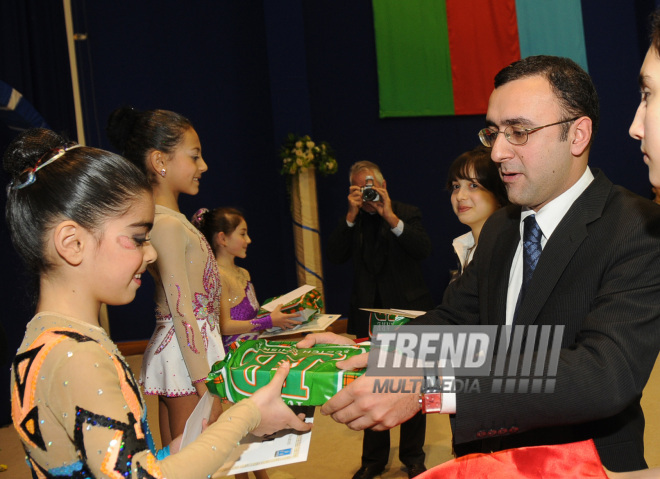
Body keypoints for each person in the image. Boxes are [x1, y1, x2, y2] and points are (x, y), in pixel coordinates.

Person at [303, 55, 660, 473]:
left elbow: (603, 374)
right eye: (494, 132)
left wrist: (427, 386)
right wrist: (374, 351)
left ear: (577, 135)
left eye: (519, 132)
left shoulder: (637, 228)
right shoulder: (502, 227)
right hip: (486, 459)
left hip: (584, 466)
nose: (497, 151)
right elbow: (456, 319)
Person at [6, 128, 311, 479]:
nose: (150, 254)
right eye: (137, 238)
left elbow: (126, 466)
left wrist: (207, 439)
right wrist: (248, 414)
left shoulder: (45, 337)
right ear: (72, 243)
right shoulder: (78, 357)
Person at [106, 107, 223, 447]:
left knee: (191, 454)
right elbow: (181, 307)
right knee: (195, 455)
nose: (203, 166)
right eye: (195, 156)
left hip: (192, 350)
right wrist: (205, 387)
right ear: (160, 161)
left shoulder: (172, 219)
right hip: (188, 357)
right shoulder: (167, 224)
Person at [326, 160, 434, 478]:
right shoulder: (355, 220)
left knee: (411, 384)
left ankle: (413, 456)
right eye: (361, 187)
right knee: (373, 387)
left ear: (384, 185)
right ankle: (373, 460)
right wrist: (350, 215)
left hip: (406, 314)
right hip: (368, 319)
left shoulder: (406, 212)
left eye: (372, 185)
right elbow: (334, 254)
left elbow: (422, 248)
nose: (369, 193)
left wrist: (389, 215)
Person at [191, 208, 300, 359]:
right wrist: (268, 321)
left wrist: (276, 318)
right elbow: (224, 326)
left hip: (252, 351)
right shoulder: (217, 276)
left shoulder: (243, 273)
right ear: (222, 238)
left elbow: (252, 317)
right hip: (233, 358)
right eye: (242, 234)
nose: (249, 240)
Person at [446, 145, 508, 279]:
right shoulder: (464, 246)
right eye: (456, 186)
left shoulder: (508, 250)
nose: (460, 196)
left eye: (473, 186)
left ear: (498, 194)